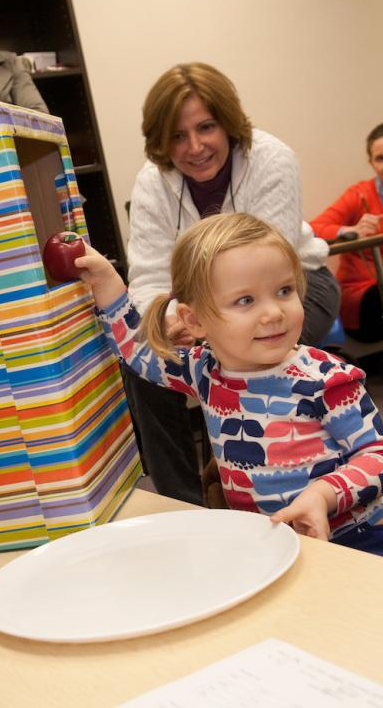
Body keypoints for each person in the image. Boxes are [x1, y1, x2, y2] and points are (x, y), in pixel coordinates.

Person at [77, 212, 383, 554]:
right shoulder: (204, 370)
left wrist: (323, 495)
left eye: (284, 290)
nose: (273, 313)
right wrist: (105, 281)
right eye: (246, 300)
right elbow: (137, 353)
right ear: (194, 321)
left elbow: (376, 453)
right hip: (263, 541)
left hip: (351, 539)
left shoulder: (326, 379)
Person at [124, 62, 340, 505]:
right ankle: (180, 502)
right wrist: (171, 322)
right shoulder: (151, 183)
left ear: (229, 123)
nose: (195, 146)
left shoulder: (272, 158)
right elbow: (146, 279)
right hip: (196, 309)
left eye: (206, 127)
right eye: (178, 135)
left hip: (292, 286)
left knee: (248, 357)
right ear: (161, 141)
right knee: (144, 366)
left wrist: (208, 329)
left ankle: (274, 479)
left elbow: (270, 270)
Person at [310, 123, 383, 342]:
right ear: (371, 163)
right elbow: (313, 227)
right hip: (364, 297)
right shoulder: (359, 195)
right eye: (380, 158)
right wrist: (351, 230)